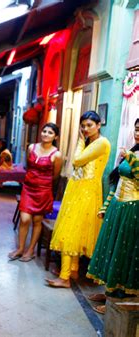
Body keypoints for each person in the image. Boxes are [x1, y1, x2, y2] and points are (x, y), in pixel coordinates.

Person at [47, 111, 111, 288]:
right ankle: (72, 271)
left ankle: (64, 277)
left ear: (98, 125)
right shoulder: (92, 142)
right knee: (73, 232)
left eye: (90, 125)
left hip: (87, 193)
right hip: (77, 190)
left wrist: (80, 140)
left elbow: (77, 160)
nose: (85, 129)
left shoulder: (102, 143)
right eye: (83, 126)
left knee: (69, 232)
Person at [86, 118, 139, 314]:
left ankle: (115, 299)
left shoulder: (132, 155)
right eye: (136, 129)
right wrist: (106, 206)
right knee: (111, 248)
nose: (137, 133)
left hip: (131, 208)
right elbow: (117, 181)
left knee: (122, 251)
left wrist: (131, 159)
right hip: (118, 206)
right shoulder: (133, 150)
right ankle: (108, 291)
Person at [8, 123, 62, 262]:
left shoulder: (57, 154)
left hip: (43, 191)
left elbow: (55, 176)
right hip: (28, 188)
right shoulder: (31, 147)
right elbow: (28, 165)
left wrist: (43, 184)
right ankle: (20, 248)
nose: (46, 134)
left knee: (37, 221)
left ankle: (30, 250)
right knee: (24, 219)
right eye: (44, 131)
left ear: (55, 136)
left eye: (50, 132)